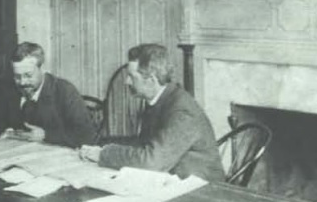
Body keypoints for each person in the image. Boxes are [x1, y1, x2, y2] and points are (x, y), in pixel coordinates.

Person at [79, 43, 225, 182]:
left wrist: (103, 154)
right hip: (173, 180)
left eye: (131, 76)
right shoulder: (161, 99)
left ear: (151, 81)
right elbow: (144, 143)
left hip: (202, 191)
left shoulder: (182, 112)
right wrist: (102, 144)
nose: (127, 82)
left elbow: (151, 161)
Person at [2, 42, 97, 148]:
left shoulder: (64, 90)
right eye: (17, 77)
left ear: (43, 69)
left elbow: (87, 136)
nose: (22, 82)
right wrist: (10, 132)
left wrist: (46, 135)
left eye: (28, 75)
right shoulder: (11, 89)